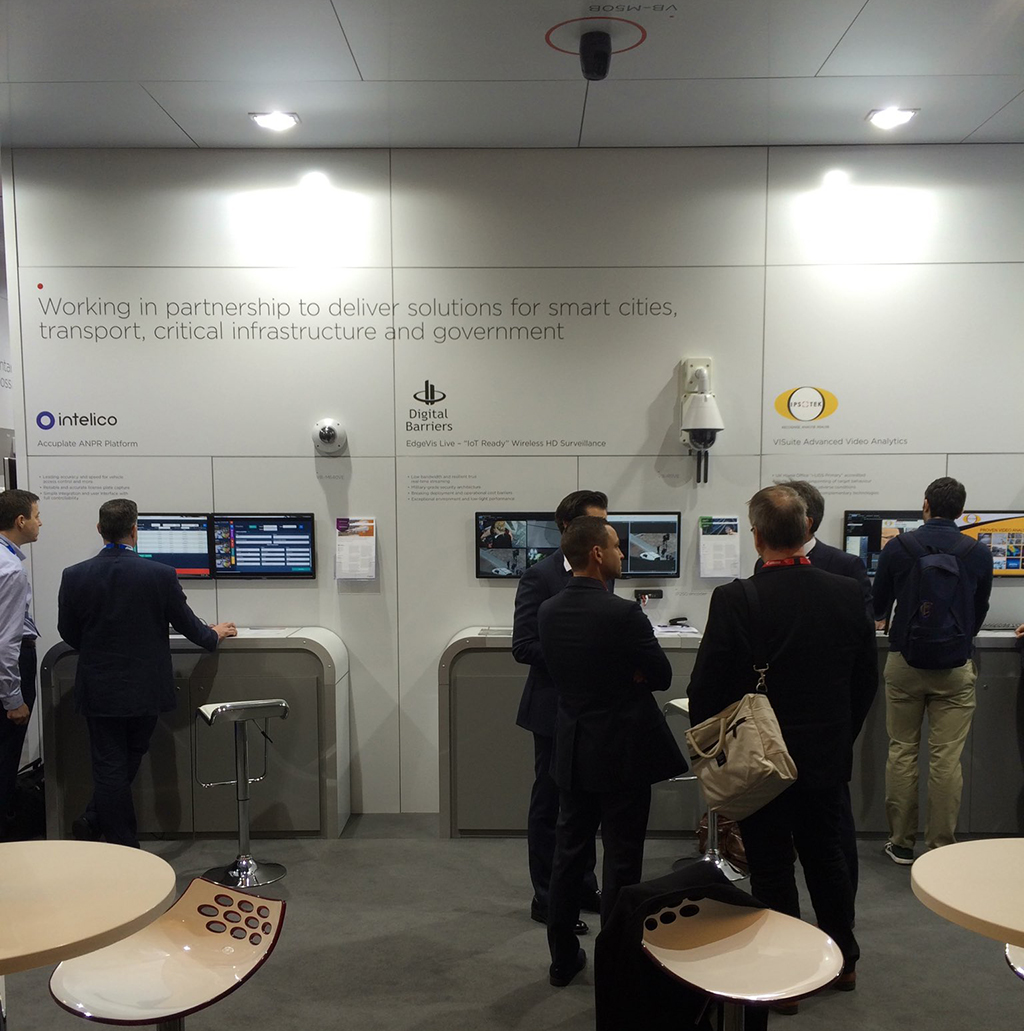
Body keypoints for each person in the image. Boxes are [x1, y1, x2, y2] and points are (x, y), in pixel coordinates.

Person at [688, 486, 877, 1002]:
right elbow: (865, 680)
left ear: (756, 537)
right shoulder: (846, 592)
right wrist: (840, 735)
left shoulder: (736, 598)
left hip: (759, 759)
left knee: (770, 865)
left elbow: (705, 688)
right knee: (827, 859)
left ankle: (785, 979)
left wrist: (719, 750)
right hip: (825, 757)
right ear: (807, 528)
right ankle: (844, 962)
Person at [539, 516, 685, 987]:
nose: (624, 554)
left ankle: (562, 958)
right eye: (618, 547)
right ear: (597, 553)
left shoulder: (549, 610)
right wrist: (632, 674)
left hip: (573, 748)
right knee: (622, 857)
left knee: (568, 854)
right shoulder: (622, 614)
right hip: (622, 751)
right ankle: (617, 960)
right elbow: (660, 675)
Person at [58, 498, 237, 847]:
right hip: (145, 689)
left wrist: (97, 649)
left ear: (99, 529)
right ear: (134, 530)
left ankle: (97, 819)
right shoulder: (159, 574)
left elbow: (68, 631)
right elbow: (190, 628)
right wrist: (214, 634)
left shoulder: (74, 575)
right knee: (129, 757)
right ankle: (123, 845)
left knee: (111, 765)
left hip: (99, 688)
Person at [754, 479, 872, 896]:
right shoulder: (761, 573)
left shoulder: (846, 569)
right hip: (770, 742)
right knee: (774, 856)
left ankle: (841, 924)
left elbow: (863, 670)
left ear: (807, 521)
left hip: (825, 739)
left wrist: (844, 731)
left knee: (829, 847)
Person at [872, 477, 993, 864]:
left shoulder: (899, 547)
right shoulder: (977, 552)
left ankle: (901, 843)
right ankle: (941, 848)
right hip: (955, 667)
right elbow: (980, 608)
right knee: (946, 759)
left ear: (925, 504)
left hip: (904, 663)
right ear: (961, 510)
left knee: (902, 751)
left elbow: (878, 603)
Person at [512, 490, 609, 934]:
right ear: (568, 526)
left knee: (585, 805)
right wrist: (579, 656)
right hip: (553, 710)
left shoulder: (603, 568)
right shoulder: (540, 576)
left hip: (594, 710)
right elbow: (523, 646)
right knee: (550, 807)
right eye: (596, 522)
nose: (605, 531)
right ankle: (548, 899)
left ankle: (583, 888)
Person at [0, 490, 42, 838]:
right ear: (20, 521)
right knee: (5, 760)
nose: (41, 522)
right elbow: (6, 640)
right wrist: (13, 698)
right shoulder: (11, 569)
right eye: (37, 516)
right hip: (11, 669)